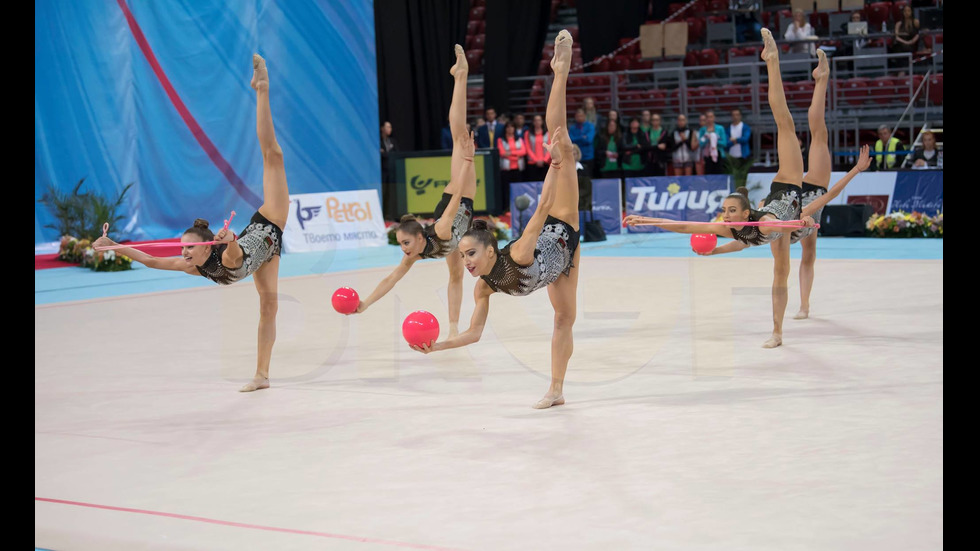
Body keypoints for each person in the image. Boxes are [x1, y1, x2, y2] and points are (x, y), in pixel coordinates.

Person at [94, 55, 290, 392]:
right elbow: (153, 259)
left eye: (188, 248)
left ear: (205, 246)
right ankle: (262, 376)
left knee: (273, 156)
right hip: (264, 254)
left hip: (269, 223)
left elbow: (232, 255)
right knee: (268, 307)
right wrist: (114, 245)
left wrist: (228, 238)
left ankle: (262, 88)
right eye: (184, 248)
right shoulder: (193, 267)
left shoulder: (221, 256)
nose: (183, 253)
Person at [412, 30, 581, 411]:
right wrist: (436, 346)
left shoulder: (518, 253)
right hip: (557, 264)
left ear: (491, 251)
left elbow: (541, 209)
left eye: (470, 253)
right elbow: (473, 334)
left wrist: (555, 163)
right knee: (563, 321)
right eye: (464, 255)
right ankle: (557, 390)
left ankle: (560, 71)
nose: (466, 260)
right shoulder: (484, 287)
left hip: (563, 222)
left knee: (563, 140)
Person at [627, 29, 819, 349]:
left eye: (730, 211)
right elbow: (687, 225)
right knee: (779, 277)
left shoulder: (759, 223)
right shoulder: (732, 228)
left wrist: (805, 222)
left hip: (788, 187)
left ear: (745, 212)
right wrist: (645, 220)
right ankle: (778, 332)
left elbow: (783, 224)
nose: (725, 216)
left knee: (784, 123)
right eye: (725, 211)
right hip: (780, 224)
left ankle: (772, 61)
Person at [351, 45, 477, 339]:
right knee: (456, 274)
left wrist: (469, 161)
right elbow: (390, 280)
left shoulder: (442, 230)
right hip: (454, 223)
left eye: (406, 244)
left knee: (459, 136)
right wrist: (365, 304)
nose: (404, 251)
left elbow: (458, 193)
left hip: (459, 203)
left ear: (420, 238)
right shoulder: (414, 253)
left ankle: (461, 75)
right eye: (402, 245)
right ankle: (455, 326)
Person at [497, 121, 527, 205]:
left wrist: (510, 153)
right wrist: (516, 154)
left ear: (514, 128)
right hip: (506, 169)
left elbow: (523, 151)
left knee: (518, 189)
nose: (510, 129)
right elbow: (502, 153)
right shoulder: (501, 140)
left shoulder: (519, 139)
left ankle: (518, 206)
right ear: (505, 129)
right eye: (508, 127)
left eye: (512, 127)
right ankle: (507, 207)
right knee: (506, 189)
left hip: (518, 168)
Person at [699, 110, 729, 175]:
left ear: (714, 117)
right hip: (707, 156)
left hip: (719, 155)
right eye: (708, 117)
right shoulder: (703, 130)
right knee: (709, 175)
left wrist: (714, 140)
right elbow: (701, 144)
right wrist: (708, 138)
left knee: (719, 174)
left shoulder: (720, 128)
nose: (709, 119)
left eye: (711, 117)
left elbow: (724, 143)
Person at [569, 107, 597, 175]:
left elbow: (589, 140)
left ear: (585, 116)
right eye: (577, 116)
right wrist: (582, 137)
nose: (579, 117)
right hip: (575, 157)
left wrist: (577, 139)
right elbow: (571, 140)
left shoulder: (590, 126)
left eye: (581, 116)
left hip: (588, 157)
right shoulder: (572, 128)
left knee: (587, 177)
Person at [524, 114, 551, 182]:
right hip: (532, 163)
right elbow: (528, 148)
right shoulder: (528, 133)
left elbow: (550, 147)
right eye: (535, 120)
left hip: (545, 163)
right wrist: (536, 160)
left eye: (539, 120)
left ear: (542, 122)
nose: (537, 122)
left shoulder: (548, 133)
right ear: (533, 122)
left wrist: (544, 160)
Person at [728, 108, 752, 174]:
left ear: (740, 116)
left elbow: (745, 139)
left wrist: (735, 140)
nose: (735, 117)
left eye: (737, 115)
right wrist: (737, 141)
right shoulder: (728, 128)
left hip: (743, 156)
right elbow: (726, 142)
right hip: (732, 156)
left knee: (743, 175)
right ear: (731, 116)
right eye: (733, 115)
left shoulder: (745, 127)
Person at [381, 120, 397, 185]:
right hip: (383, 170)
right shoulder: (378, 141)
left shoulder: (393, 141)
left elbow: (396, 153)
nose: (390, 129)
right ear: (382, 128)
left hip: (392, 170)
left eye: (390, 127)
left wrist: (385, 153)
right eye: (387, 127)